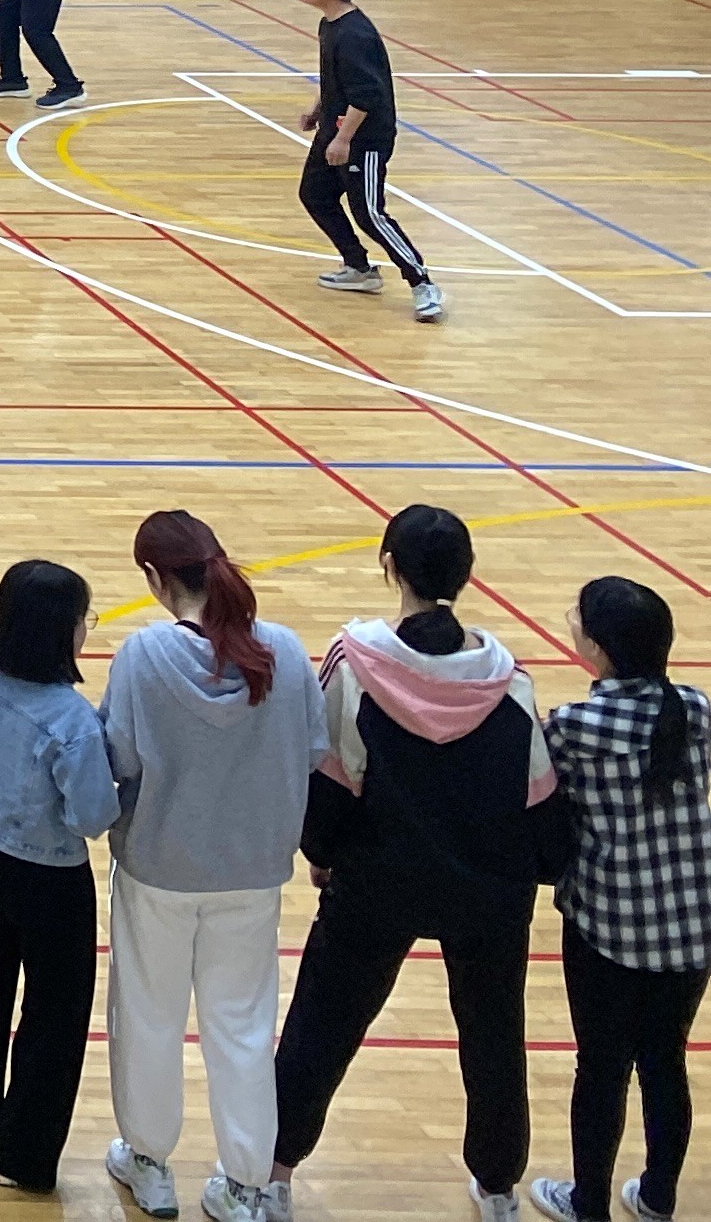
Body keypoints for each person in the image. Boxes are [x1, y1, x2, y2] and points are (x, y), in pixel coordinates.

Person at [271, 502, 564, 1219]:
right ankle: (498, 1187)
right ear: (467, 576)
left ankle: (270, 1174)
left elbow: (328, 780)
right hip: (489, 894)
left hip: (376, 883)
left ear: (389, 566)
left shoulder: (354, 666)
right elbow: (538, 802)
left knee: (322, 1025)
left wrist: (323, 855)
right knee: (494, 1037)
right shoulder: (510, 682)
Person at [103, 509, 322, 1222]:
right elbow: (313, 751)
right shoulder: (285, 651)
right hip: (254, 874)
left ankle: (148, 1161)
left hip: (158, 870)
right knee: (244, 1028)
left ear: (154, 578)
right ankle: (247, 1183)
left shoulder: (141, 656)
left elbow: (118, 758)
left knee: (148, 1016)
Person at [0, 559, 119, 1196]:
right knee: (55, 1013)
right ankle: (24, 1157)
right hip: (50, 878)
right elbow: (92, 816)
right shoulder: (71, 721)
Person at [533, 577, 711, 1222]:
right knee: (665, 1061)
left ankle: (589, 1204)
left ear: (599, 650)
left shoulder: (573, 727)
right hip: (694, 924)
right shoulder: (696, 709)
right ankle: (658, 1197)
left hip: (608, 925)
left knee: (602, 1069)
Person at [302, 0, 442, 323]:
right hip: (335, 127)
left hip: (363, 138)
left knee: (369, 212)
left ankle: (422, 284)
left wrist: (343, 140)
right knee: (315, 194)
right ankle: (359, 268)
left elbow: (366, 95)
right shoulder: (330, 24)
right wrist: (318, 110)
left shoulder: (355, 35)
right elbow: (336, 79)